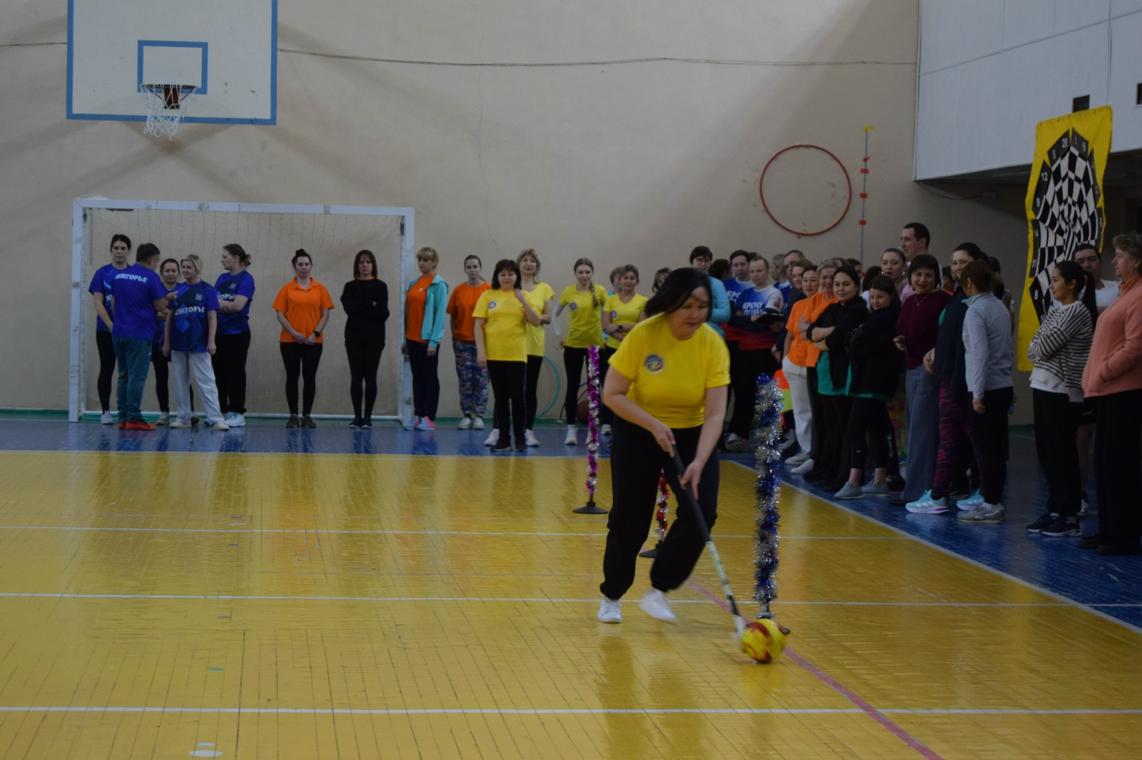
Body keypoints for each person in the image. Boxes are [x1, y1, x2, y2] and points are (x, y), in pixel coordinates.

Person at [596, 267, 729, 624]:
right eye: (688, 306)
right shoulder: (644, 334)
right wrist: (653, 425)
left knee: (702, 511)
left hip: (691, 432)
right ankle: (612, 594)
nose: (696, 314)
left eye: (703, 306)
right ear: (670, 304)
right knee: (630, 517)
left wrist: (700, 460)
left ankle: (660, 589)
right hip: (638, 428)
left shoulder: (712, 343)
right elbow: (612, 394)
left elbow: (716, 413)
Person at [913, 243, 988, 512]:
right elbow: (951, 336)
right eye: (954, 262)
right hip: (949, 377)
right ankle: (943, 492)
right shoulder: (957, 296)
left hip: (962, 381)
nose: (957, 267)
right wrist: (936, 352)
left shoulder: (977, 302)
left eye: (963, 262)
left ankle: (978, 491)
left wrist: (961, 381)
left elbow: (971, 346)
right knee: (953, 438)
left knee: (972, 439)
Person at [1081, 234, 1142, 555]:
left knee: (1120, 465)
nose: (1115, 261)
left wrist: (1103, 371)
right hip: (1108, 391)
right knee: (1105, 464)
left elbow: (1135, 347)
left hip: (1123, 391)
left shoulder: (1139, 296)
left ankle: (1123, 533)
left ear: (1137, 260)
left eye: (1120, 255)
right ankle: (1108, 528)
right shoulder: (1126, 293)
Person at [1025, 261, 1095, 537]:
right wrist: (1037, 346)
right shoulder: (1056, 310)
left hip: (1062, 390)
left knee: (1062, 452)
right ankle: (1054, 508)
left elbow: (1043, 346)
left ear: (1072, 283)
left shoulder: (1077, 310)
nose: (1051, 285)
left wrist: (1038, 347)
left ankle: (1069, 514)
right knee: (1047, 452)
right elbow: (1034, 346)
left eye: (1055, 280)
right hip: (1042, 384)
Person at [957, 259, 1014, 524]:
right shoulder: (999, 306)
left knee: (986, 449)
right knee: (995, 448)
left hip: (987, 388)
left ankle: (991, 502)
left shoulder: (976, 311)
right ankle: (992, 498)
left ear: (969, 282)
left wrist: (977, 394)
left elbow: (979, 353)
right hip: (1002, 385)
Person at [834, 276, 902, 498]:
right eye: (872, 297)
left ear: (891, 296)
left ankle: (855, 480)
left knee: (856, 427)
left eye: (880, 297)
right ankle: (879, 478)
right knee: (876, 429)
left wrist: (854, 339)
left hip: (873, 382)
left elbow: (856, 345)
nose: (875, 301)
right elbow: (852, 341)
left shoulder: (886, 320)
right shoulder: (875, 318)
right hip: (869, 381)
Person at [893, 255, 951, 510]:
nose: (922, 279)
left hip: (930, 371)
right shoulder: (910, 301)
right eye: (918, 274)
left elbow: (945, 337)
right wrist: (901, 340)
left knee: (923, 431)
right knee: (914, 428)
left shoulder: (943, 301)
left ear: (936, 277)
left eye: (928, 275)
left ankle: (921, 489)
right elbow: (904, 330)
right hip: (911, 368)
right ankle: (916, 487)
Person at [805, 265, 868, 489]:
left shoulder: (858, 310)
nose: (840, 289)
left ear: (857, 286)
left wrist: (825, 335)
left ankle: (844, 475)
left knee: (844, 428)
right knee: (830, 426)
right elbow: (810, 332)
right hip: (826, 375)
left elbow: (836, 340)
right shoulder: (833, 308)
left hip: (843, 377)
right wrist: (829, 332)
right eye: (837, 284)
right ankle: (829, 469)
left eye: (846, 284)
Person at [473, 259, 542, 452]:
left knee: (518, 398)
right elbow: (478, 325)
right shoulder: (488, 295)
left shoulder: (523, 295)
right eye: (502, 274)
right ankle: (503, 439)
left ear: (516, 276)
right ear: (497, 276)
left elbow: (536, 321)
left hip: (516, 356)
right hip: (494, 355)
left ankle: (520, 439)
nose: (507, 277)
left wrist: (523, 301)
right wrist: (481, 351)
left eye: (511, 274)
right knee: (501, 399)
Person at [108, 242, 172, 430]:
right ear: (152, 260)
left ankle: (123, 417)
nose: (156, 265)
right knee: (137, 377)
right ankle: (134, 418)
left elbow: (114, 304)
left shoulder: (119, 276)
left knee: (123, 375)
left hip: (119, 332)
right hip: (139, 334)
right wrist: (168, 300)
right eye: (157, 261)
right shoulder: (151, 278)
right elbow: (160, 307)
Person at [161, 255, 228, 431]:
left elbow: (212, 316)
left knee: (206, 380)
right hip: (178, 343)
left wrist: (211, 340)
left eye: (188, 267)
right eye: (183, 267)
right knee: (180, 381)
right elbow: (170, 318)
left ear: (197, 268)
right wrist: (166, 342)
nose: (185, 270)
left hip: (199, 343)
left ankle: (215, 418)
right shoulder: (178, 290)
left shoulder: (208, 290)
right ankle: (183, 417)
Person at [725, 256, 784, 451]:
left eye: (759, 271)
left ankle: (769, 436)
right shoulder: (745, 293)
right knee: (743, 393)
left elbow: (768, 321)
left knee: (766, 395)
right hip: (744, 351)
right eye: (752, 271)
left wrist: (747, 319)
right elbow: (733, 320)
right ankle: (738, 433)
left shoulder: (774, 293)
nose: (755, 275)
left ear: (767, 271)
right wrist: (751, 319)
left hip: (765, 351)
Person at [273, 249, 334, 428]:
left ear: (311, 266)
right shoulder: (286, 289)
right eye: (300, 264)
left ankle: (307, 416)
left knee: (310, 377)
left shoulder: (320, 289)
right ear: (294, 267)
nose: (304, 267)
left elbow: (325, 314)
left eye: (307, 264)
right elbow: (280, 314)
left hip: (313, 342)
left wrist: (315, 334)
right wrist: (293, 332)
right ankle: (293, 416)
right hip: (289, 341)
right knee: (292, 377)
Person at [789, 262, 838, 477]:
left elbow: (824, 332)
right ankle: (816, 456)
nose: (827, 282)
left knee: (830, 416)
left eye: (831, 277)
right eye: (824, 277)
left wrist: (813, 331)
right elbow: (802, 331)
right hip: (811, 362)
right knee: (816, 414)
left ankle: (828, 460)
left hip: (830, 363)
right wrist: (814, 331)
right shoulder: (813, 300)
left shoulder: (838, 303)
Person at [555, 258, 607, 446]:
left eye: (587, 272)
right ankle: (571, 429)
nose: (584, 275)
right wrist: (559, 335)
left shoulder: (600, 291)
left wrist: (605, 335)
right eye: (581, 272)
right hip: (573, 346)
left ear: (592, 273)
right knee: (572, 386)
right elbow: (555, 314)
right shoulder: (569, 291)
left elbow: (608, 314)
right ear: (575, 274)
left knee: (594, 388)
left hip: (594, 347)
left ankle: (592, 431)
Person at [341, 249, 390, 429]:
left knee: (371, 377)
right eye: (361, 262)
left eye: (368, 262)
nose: (364, 265)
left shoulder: (381, 286)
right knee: (356, 377)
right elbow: (349, 309)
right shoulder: (349, 286)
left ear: (373, 265)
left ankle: (368, 417)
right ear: (357, 265)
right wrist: (371, 305)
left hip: (375, 338)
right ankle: (357, 417)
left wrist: (362, 307)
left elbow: (383, 313)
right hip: (353, 337)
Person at [403, 247, 449, 431]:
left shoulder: (439, 285)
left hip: (428, 341)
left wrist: (434, 341)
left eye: (426, 260)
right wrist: (405, 339)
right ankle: (419, 414)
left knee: (429, 378)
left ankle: (429, 417)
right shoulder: (414, 283)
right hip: (412, 338)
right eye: (420, 260)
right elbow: (408, 312)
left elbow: (439, 315)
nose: (422, 263)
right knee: (418, 378)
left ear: (434, 262)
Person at [601, 265, 648, 435]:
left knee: (631, 388)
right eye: (625, 278)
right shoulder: (610, 300)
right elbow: (606, 326)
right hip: (612, 349)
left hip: (634, 350)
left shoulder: (642, 301)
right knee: (610, 386)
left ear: (637, 281)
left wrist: (619, 326)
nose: (628, 281)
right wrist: (621, 337)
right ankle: (607, 422)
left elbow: (641, 325)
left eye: (632, 278)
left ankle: (629, 421)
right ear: (619, 280)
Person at [88, 234, 131, 424]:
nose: (119, 251)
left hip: (129, 331)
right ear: (111, 250)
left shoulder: (134, 273)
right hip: (106, 330)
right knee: (107, 368)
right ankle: (105, 411)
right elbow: (98, 303)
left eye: (123, 248)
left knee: (128, 371)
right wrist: (111, 325)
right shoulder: (102, 273)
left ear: (128, 251)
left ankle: (127, 411)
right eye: (116, 248)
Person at [446, 254, 491, 434]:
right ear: (465, 269)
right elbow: (453, 316)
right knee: (465, 380)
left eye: (475, 266)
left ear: (480, 268)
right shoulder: (458, 291)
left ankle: (479, 415)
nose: (472, 270)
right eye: (469, 267)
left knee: (482, 380)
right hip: (462, 342)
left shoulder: (489, 290)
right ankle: (467, 414)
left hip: (483, 344)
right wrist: (454, 336)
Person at [213, 243, 255, 428]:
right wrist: (224, 304)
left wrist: (221, 303)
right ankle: (221, 411)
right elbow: (212, 303)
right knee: (219, 373)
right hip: (218, 333)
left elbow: (237, 306)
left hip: (237, 334)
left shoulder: (246, 279)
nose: (222, 260)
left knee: (235, 372)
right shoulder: (222, 278)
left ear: (236, 258)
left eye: (225, 257)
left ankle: (237, 412)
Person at [783, 264, 820, 468]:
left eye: (813, 280)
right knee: (800, 410)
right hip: (794, 363)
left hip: (814, 364)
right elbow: (790, 334)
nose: (808, 284)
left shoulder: (826, 303)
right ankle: (805, 449)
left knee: (817, 411)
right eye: (805, 280)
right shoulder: (798, 305)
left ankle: (817, 452)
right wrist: (785, 359)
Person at [518, 249, 556, 446]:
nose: (528, 264)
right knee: (510, 391)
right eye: (525, 260)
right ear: (519, 264)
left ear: (537, 266)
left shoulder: (544, 288)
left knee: (530, 389)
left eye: (532, 261)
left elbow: (548, 317)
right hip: (512, 346)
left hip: (534, 345)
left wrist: (533, 317)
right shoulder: (512, 287)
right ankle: (502, 431)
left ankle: (528, 431)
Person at [153, 258, 181, 425]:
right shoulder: (155, 290)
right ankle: (164, 412)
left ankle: (188, 411)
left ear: (178, 273)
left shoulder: (184, 290)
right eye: (167, 271)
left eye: (173, 271)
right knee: (161, 376)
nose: (170, 274)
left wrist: (165, 313)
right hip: (157, 339)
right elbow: (151, 312)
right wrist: (168, 313)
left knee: (182, 377)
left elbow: (183, 313)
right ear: (161, 273)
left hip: (179, 340)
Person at [687, 247, 730, 336]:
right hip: (687, 333)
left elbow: (725, 313)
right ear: (692, 261)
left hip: (712, 333)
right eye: (699, 260)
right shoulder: (682, 282)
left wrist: (700, 312)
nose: (703, 264)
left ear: (710, 263)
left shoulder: (717, 284)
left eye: (706, 261)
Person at [1073, 243, 1119, 314]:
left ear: (1101, 262)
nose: (1087, 265)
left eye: (1092, 259)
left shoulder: (1118, 287)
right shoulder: (1067, 292)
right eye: (1081, 262)